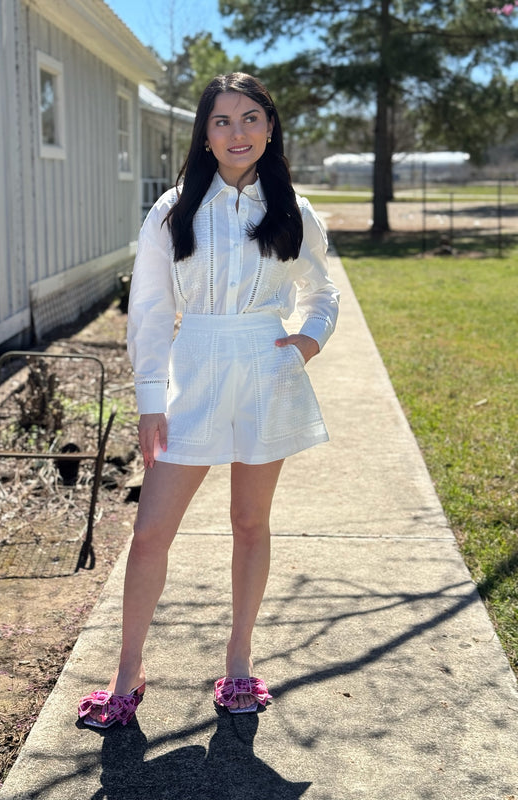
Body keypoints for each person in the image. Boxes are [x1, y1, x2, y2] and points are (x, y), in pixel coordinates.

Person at [77, 72, 340, 728]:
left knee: (250, 522)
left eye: (250, 117)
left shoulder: (294, 210)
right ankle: (128, 669)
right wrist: (149, 400)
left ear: (270, 127)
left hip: (264, 371)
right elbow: (148, 308)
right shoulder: (174, 210)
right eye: (221, 121)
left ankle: (239, 659)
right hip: (191, 372)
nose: (237, 132)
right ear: (204, 135)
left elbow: (322, 290)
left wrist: (308, 341)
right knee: (150, 531)